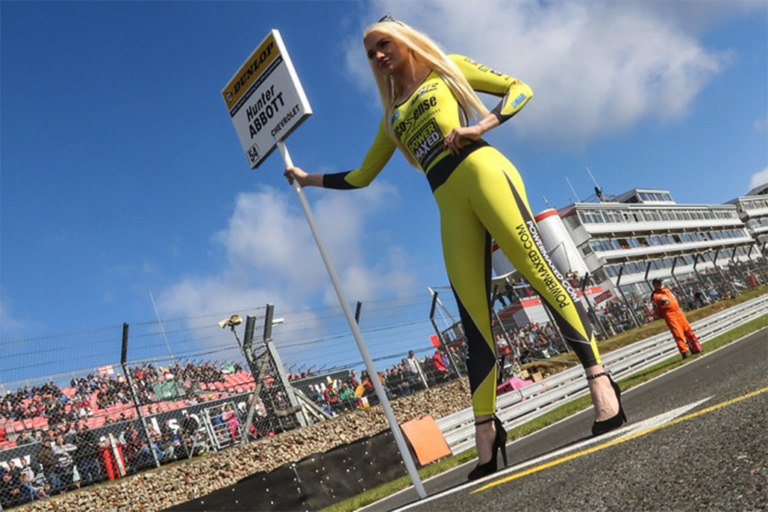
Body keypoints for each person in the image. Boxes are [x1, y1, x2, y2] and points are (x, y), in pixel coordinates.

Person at [284, 15, 625, 481]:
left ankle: (601, 386)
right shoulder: (391, 119)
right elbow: (362, 176)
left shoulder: (448, 69)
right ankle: (487, 434)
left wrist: (480, 124)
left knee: (539, 274)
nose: (378, 56)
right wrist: (307, 179)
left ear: (404, 41)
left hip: (485, 172)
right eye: (370, 53)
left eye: (384, 44)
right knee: (473, 323)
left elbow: (519, 88)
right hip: (448, 204)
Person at [650, 278, 702, 359]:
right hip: (670, 315)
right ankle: (684, 352)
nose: (660, 284)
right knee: (678, 333)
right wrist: (665, 315)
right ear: (654, 285)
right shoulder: (655, 296)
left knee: (688, 330)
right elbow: (656, 310)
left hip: (678, 311)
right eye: (658, 283)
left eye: (660, 282)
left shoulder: (667, 290)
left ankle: (695, 347)